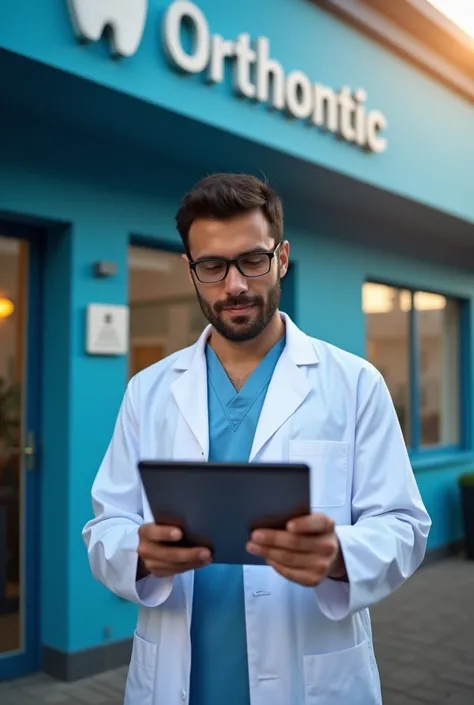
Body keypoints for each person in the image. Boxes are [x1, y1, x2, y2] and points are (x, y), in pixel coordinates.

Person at [82, 173, 431, 705]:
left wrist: (339, 553)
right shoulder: (147, 391)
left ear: (282, 257)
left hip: (310, 680)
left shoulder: (355, 384)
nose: (235, 286)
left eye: (252, 260)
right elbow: (107, 525)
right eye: (213, 267)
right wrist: (140, 553)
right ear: (191, 271)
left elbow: (404, 526)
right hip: (178, 681)